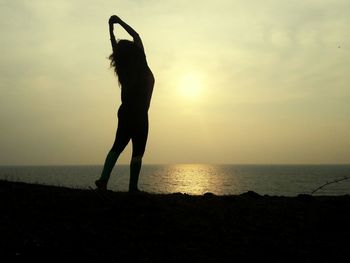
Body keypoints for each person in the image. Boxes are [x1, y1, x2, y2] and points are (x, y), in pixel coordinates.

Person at [95, 15, 155, 192]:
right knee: (137, 151)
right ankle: (132, 187)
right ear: (134, 50)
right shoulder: (141, 60)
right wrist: (119, 22)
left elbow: (116, 48)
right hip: (139, 114)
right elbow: (136, 35)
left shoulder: (123, 68)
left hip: (126, 112)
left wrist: (111, 30)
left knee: (118, 145)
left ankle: (104, 180)